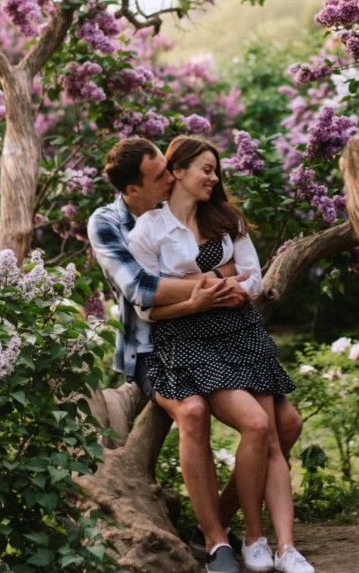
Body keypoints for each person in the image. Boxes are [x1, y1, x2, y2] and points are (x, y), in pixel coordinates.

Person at [87, 136, 303, 572]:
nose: (169, 177)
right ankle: (217, 540)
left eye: (169, 168)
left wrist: (215, 286)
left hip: (218, 333)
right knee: (194, 412)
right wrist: (212, 284)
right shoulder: (110, 224)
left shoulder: (201, 212)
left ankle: (224, 522)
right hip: (152, 347)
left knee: (286, 425)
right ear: (132, 189)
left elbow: (248, 273)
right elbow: (142, 291)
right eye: (160, 175)